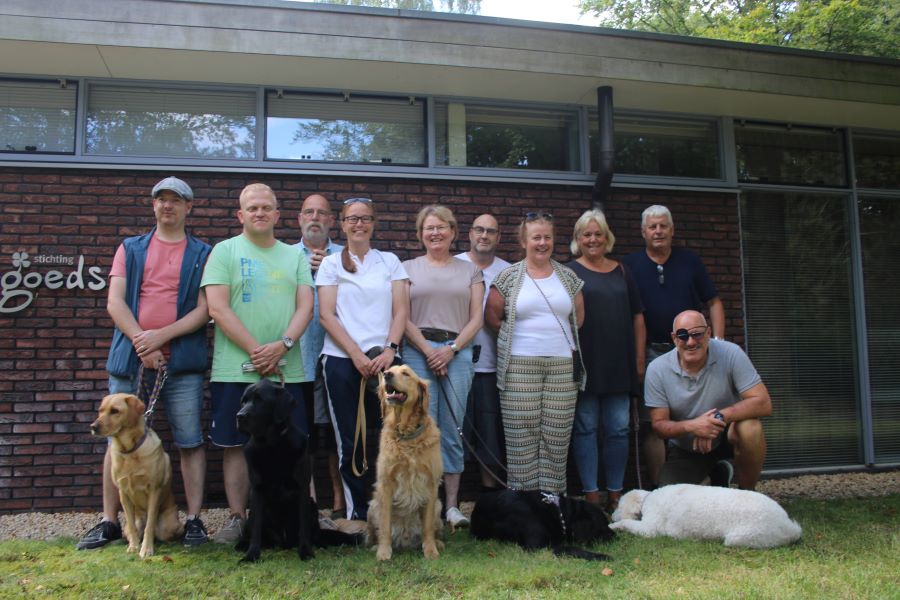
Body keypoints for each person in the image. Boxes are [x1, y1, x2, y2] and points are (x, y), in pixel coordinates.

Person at [78, 176, 212, 550]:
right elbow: (114, 302)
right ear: (153, 206)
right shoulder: (130, 249)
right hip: (130, 362)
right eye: (161, 199)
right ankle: (109, 521)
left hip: (181, 362)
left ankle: (196, 520)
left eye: (176, 200)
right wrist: (143, 342)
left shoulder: (203, 253)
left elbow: (205, 309)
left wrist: (161, 337)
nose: (167, 205)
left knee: (189, 441)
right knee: (114, 441)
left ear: (189, 208)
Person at [201, 183, 314, 543]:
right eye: (252, 208)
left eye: (267, 208)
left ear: (278, 215)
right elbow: (217, 307)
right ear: (241, 215)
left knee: (296, 444)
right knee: (236, 444)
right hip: (237, 369)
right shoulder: (224, 252)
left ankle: (306, 517)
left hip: (287, 369)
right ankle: (238, 519)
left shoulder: (294, 256)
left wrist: (281, 346)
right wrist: (257, 351)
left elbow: (306, 306)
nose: (260, 213)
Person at [317, 197, 408, 521]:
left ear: (373, 223)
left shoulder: (390, 261)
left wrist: (390, 349)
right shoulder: (330, 264)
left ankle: (396, 510)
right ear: (341, 224)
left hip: (386, 362)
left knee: (392, 437)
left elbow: (401, 311)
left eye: (365, 218)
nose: (359, 224)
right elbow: (326, 315)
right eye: (352, 219)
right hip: (343, 361)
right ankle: (358, 515)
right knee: (351, 440)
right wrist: (355, 355)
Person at [622, 204, 725, 488]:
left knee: (697, 415)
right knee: (652, 424)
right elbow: (628, 314)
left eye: (663, 226)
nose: (658, 231)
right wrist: (638, 358)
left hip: (691, 349)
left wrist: (717, 343)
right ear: (643, 232)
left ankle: (703, 481)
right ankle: (660, 489)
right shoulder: (629, 265)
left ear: (672, 230)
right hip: (651, 353)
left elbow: (714, 302)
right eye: (652, 227)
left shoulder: (690, 261)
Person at [485, 212, 585, 495]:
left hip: (563, 367)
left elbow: (579, 318)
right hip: (519, 365)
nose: (542, 243)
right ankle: (524, 504)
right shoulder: (507, 277)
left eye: (547, 237)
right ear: (523, 241)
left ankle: (554, 503)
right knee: (522, 438)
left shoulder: (568, 277)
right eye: (536, 237)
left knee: (556, 436)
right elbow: (493, 318)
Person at [403, 205, 483, 527]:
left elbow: (476, 318)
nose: (435, 233)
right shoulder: (406, 268)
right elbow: (401, 316)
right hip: (416, 352)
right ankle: (424, 506)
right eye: (428, 228)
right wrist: (427, 350)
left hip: (457, 353)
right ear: (420, 233)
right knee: (420, 430)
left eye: (441, 227)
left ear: (453, 232)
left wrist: (450, 350)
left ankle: (451, 507)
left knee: (452, 430)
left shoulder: (469, 271)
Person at [567, 209, 645, 512]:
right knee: (585, 428)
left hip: (619, 365)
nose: (593, 239)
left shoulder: (622, 271)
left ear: (607, 237)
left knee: (618, 429)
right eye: (586, 234)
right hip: (586, 365)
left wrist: (639, 360)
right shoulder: (568, 272)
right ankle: (591, 494)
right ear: (577, 239)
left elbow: (638, 316)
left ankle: (615, 493)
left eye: (598, 233)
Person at [645, 310, 771, 490]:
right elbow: (659, 426)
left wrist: (716, 419)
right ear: (673, 338)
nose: (690, 342)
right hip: (688, 447)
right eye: (683, 336)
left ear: (708, 333)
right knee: (672, 498)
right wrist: (694, 426)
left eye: (697, 334)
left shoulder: (731, 353)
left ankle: (747, 494)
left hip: (727, 434)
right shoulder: (657, 369)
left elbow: (763, 402)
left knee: (751, 428)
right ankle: (716, 476)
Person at [294, 193, 346, 518]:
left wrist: (330, 269)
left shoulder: (347, 256)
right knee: (305, 436)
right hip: (297, 357)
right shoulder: (284, 256)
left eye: (322, 213)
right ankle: (309, 503)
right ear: (299, 218)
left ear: (331, 220)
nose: (315, 217)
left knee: (337, 434)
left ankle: (341, 503)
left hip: (338, 355)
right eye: (308, 212)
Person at [456, 213, 510, 492]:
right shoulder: (454, 265)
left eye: (491, 231)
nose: (484, 236)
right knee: (456, 431)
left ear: (499, 237)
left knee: (490, 434)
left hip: (493, 366)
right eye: (479, 230)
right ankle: (454, 499)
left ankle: (490, 495)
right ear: (470, 233)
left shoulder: (510, 272)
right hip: (455, 364)